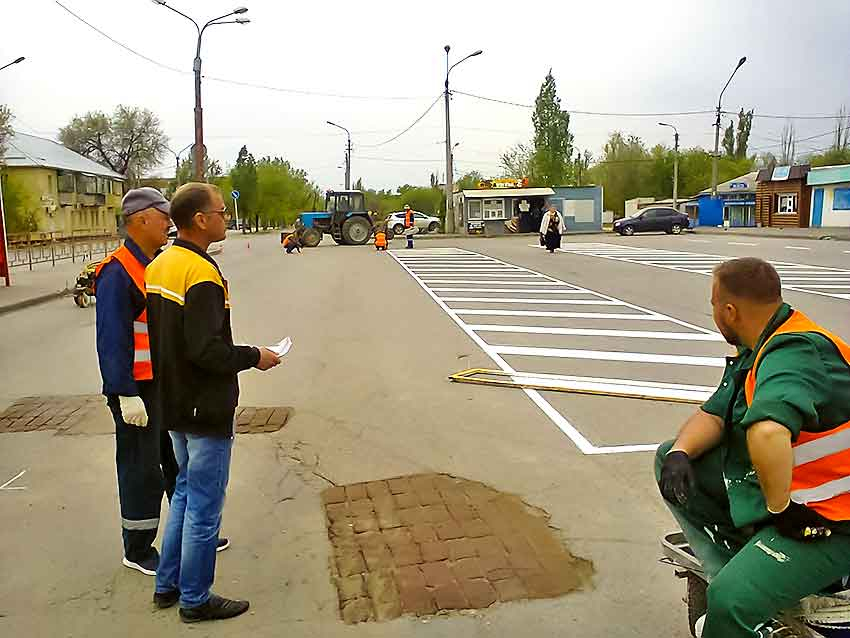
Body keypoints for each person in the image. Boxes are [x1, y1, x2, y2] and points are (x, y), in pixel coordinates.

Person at [655, 257, 850, 638]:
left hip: (831, 519)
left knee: (729, 604)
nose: (713, 313)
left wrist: (781, 510)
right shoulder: (760, 345)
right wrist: (679, 453)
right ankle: (737, 570)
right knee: (669, 456)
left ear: (729, 310)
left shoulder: (793, 351)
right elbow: (715, 415)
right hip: (803, 493)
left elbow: (766, 433)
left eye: (713, 304)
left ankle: (748, 601)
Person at [145, 183, 281, 623]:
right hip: (204, 406)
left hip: (174, 401)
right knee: (204, 506)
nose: (225, 217)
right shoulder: (201, 273)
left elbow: (170, 340)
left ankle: (167, 585)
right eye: (221, 212)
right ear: (200, 219)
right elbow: (206, 349)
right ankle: (195, 600)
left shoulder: (161, 264)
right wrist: (254, 356)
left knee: (184, 493)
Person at [94, 187, 177, 576]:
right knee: (141, 467)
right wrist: (124, 393)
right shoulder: (117, 270)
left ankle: (186, 531)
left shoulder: (155, 263)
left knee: (175, 460)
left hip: (160, 384)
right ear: (141, 219)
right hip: (136, 389)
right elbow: (112, 338)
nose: (168, 223)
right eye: (163, 216)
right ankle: (138, 548)